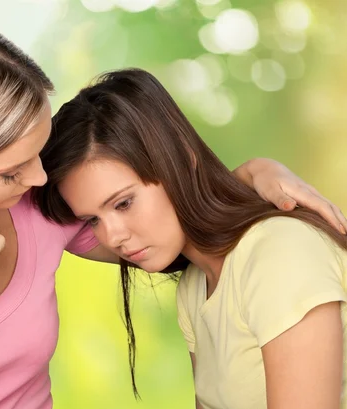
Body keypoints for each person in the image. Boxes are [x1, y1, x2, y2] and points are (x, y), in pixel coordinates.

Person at [0, 20, 346, 409]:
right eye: (11, 171)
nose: (39, 181)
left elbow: (161, 202)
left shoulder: (36, 203)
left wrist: (252, 173)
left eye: (37, 157)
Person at [33, 68, 347, 408]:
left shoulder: (280, 253)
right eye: (92, 219)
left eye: (124, 203)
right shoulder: (196, 289)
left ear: (180, 157)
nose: (112, 237)